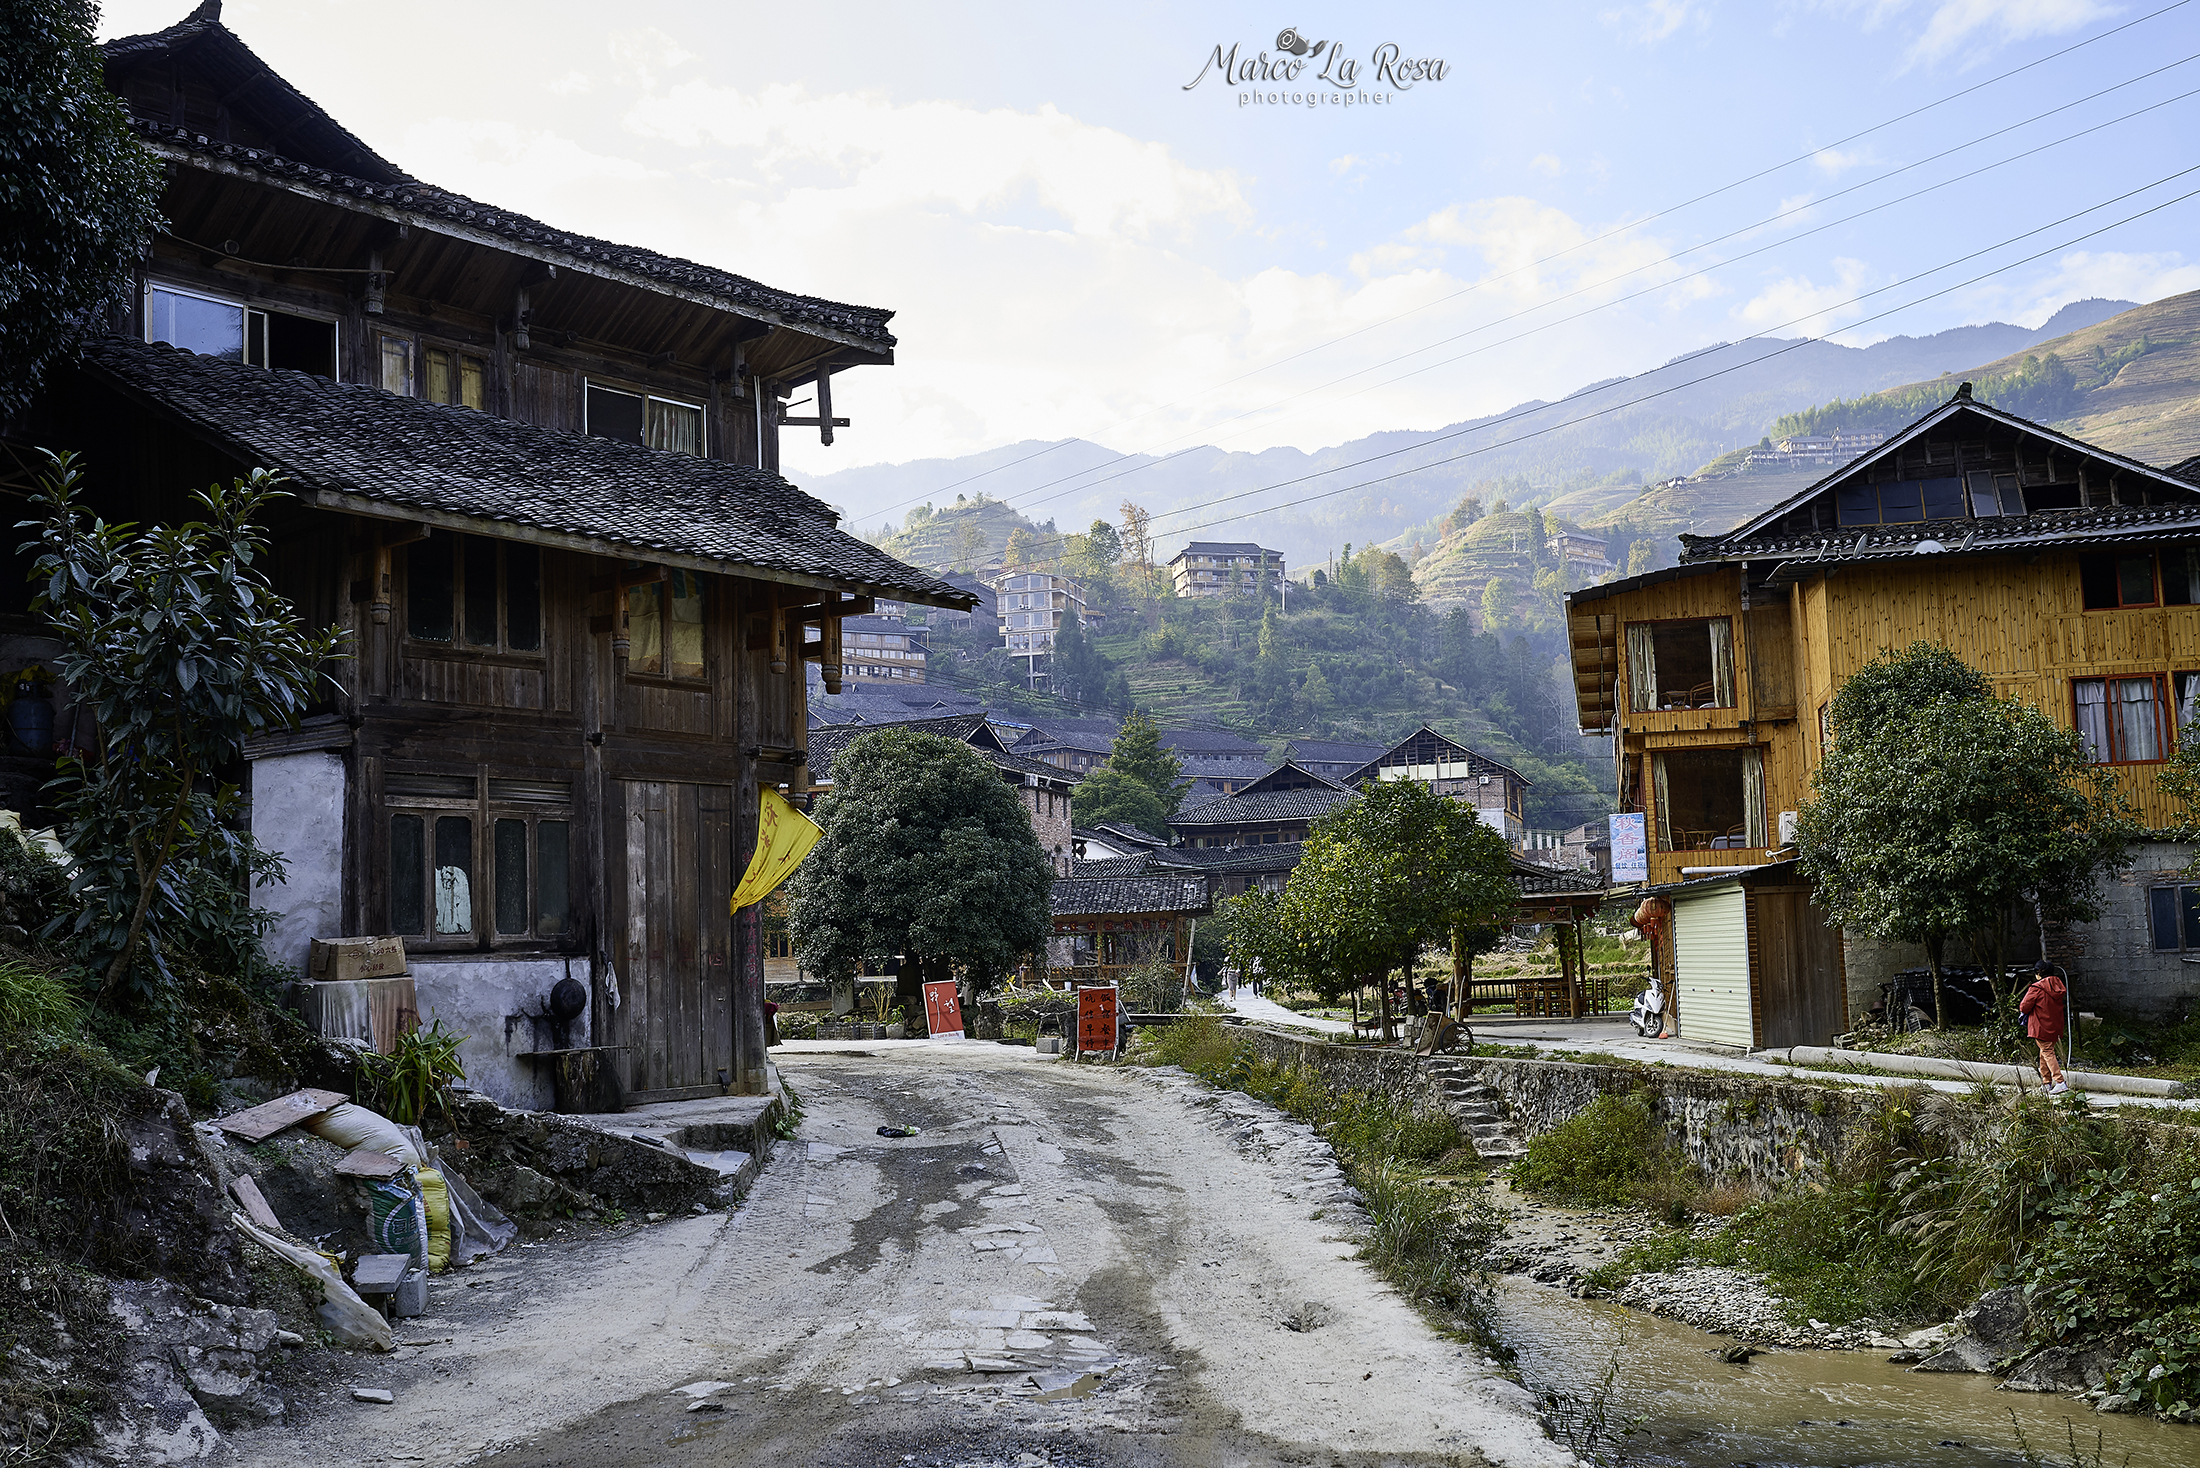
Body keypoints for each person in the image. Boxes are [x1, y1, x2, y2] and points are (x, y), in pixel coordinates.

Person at [2017, 962, 2069, 1095]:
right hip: (2055, 1025)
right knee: (2044, 1053)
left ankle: (2060, 1082)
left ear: (2039, 973)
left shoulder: (2036, 988)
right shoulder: (2058, 985)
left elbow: (2024, 1007)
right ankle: (2046, 1083)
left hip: (2041, 1026)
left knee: (2047, 1052)